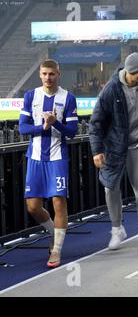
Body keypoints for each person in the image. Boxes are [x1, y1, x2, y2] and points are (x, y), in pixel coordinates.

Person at [89, 52, 138, 251]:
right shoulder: (111, 90)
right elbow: (96, 123)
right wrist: (97, 150)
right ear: (130, 73)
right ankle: (117, 229)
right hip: (114, 148)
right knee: (110, 188)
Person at [19, 59, 78, 268]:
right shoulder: (30, 96)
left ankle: (57, 250)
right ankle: (54, 233)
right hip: (35, 158)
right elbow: (23, 129)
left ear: (58, 74)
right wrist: (43, 127)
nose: (48, 78)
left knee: (58, 202)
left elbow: (72, 132)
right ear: (40, 74)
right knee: (33, 207)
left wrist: (56, 124)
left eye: (51, 74)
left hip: (57, 158)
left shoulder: (67, 98)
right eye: (44, 74)